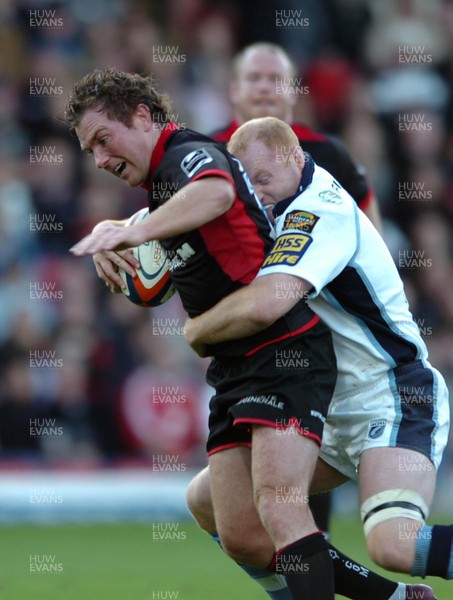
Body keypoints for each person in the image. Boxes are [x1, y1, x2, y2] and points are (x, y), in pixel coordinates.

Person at [65, 68, 425, 600]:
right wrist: (115, 236)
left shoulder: (187, 152)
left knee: (280, 504)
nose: (98, 159)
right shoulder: (163, 188)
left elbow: (213, 192)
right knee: (239, 533)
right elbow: (162, 274)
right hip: (235, 366)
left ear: (142, 118)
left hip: (284, 348)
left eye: (102, 139)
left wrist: (135, 231)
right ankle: (393, 598)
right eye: (89, 150)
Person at [183, 116, 451, 597]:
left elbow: (268, 302)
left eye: (264, 179)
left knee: (393, 544)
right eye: (249, 183)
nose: (258, 193)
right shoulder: (269, 208)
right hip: (324, 402)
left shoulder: (318, 209)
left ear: (295, 157)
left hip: (391, 393)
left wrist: (196, 329)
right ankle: (391, 598)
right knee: (216, 506)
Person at [210, 42, 382, 232]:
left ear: (293, 92)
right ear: (234, 90)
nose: (264, 87)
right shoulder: (210, 152)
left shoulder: (328, 152)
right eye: (254, 78)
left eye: (275, 79)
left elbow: (367, 218)